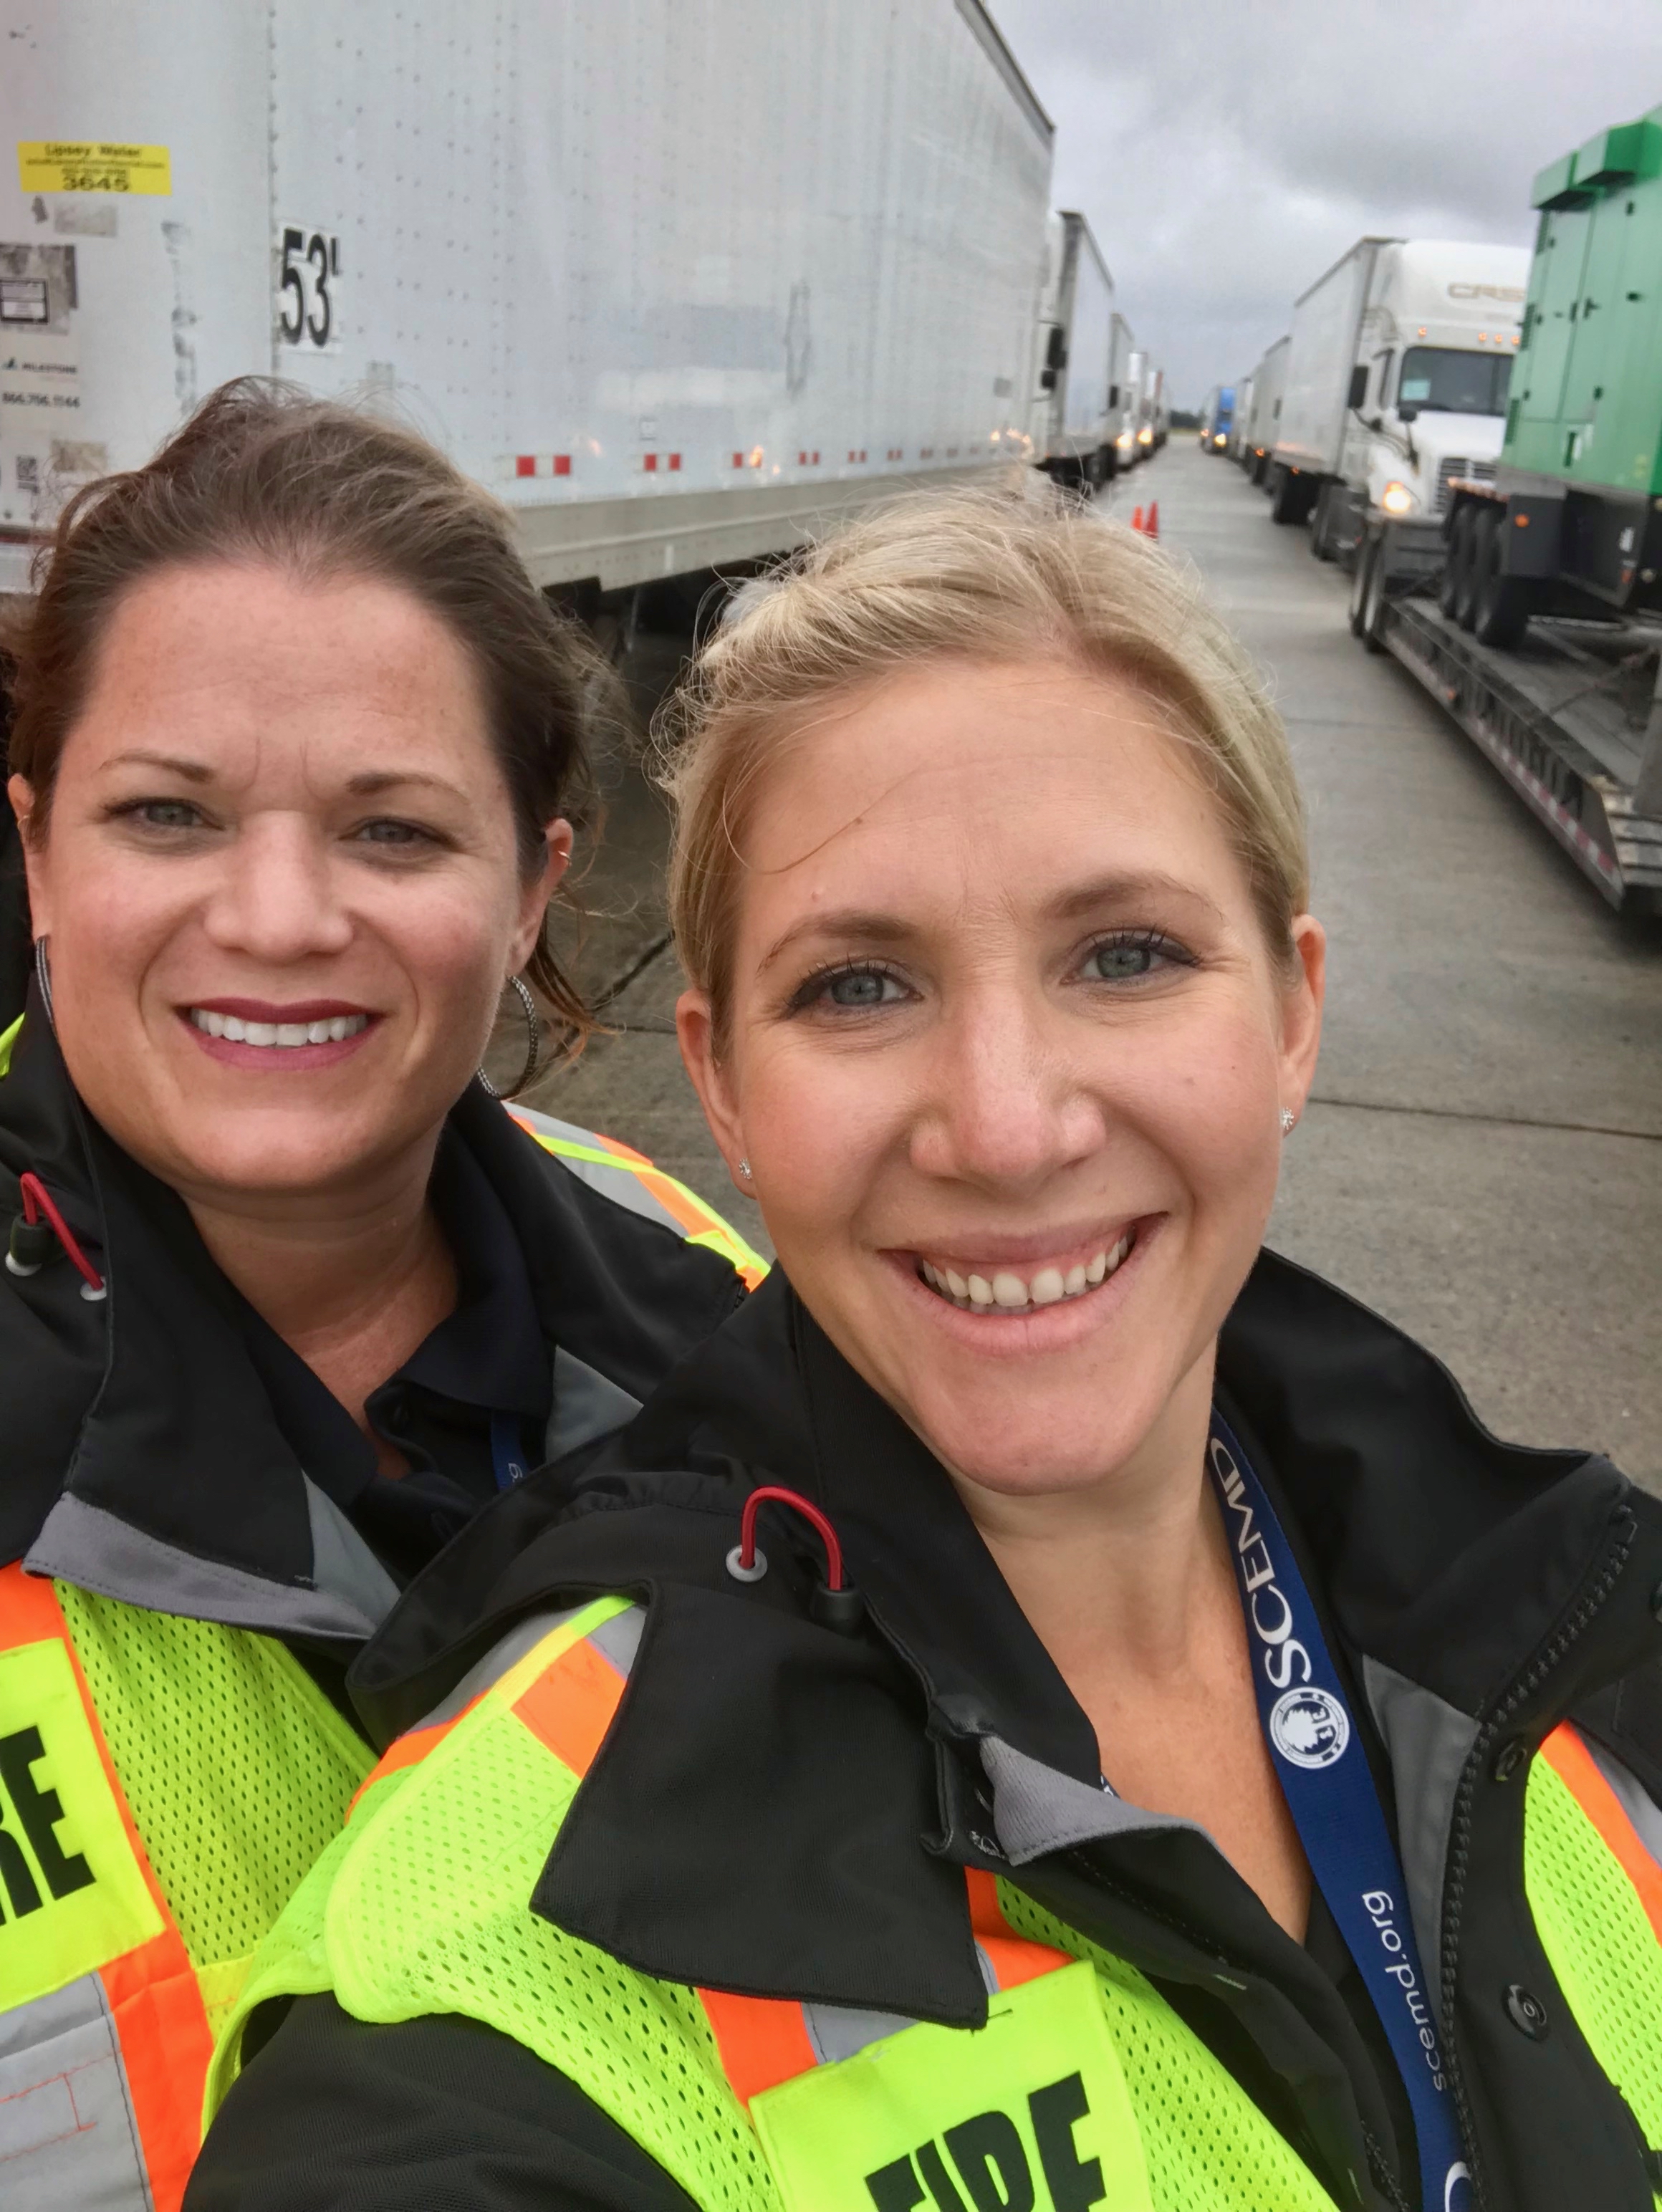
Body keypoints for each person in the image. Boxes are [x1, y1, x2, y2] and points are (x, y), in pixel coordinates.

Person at [191, 489, 1662, 2212]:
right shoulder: (522, 1894)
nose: (1007, 1126)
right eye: (858, 986)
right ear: (721, 1082)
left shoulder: (1565, 1604)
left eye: (1124, 955)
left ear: (1290, 1011)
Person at [0, 380, 761, 2212]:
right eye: (166, 814)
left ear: (533, 886)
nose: (276, 916)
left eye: (394, 832)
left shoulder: (725, 1310)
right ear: (37, 855)